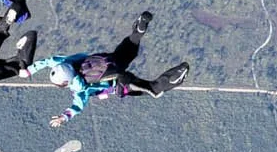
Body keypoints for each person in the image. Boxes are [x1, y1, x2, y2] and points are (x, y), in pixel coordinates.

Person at [28, 11, 190, 126]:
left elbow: (77, 106)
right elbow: (48, 61)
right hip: (112, 61)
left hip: (119, 84)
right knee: (131, 46)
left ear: (65, 83)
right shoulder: (70, 61)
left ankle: (178, 74)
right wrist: (29, 70)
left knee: (153, 89)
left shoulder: (80, 88)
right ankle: (139, 29)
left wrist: (64, 117)